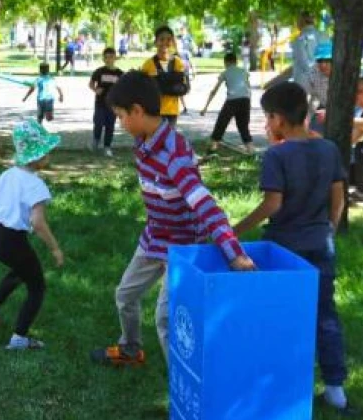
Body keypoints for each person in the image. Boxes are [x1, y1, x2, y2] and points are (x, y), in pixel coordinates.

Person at [91, 71, 254, 369]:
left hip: (181, 247)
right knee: (125, 295)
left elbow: (205, 205)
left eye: (120, 116)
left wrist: (234, 253)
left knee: (165, 318)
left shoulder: (173, 154)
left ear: (137, 111)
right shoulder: (144, 142)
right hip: (154, 239)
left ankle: (184, 386)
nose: (119, 122)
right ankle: (130, 348)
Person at [232, 82, 351, 413]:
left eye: (267, 118)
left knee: (276, 315)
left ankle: (277, 384)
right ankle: (335, 390)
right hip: (320, 245)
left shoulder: (277, 154)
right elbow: (338, 196)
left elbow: (272, 204)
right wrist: (328, 228)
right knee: (325, 314)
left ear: (279, 119)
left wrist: (233, 232)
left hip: (284, 248)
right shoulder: (329, 149)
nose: (266, 125)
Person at [0, 119, 63, 350]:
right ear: (37, 157)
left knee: (22, 269)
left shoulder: (6, 175)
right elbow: (38, 222)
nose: (50, 156)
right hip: (12, 240)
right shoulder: (35, 185)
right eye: (47, 152)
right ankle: (19, 338)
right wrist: (54, 248)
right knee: (37, 286)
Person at [201, 52, 253, 153]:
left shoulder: (225, 72)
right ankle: (251, 151)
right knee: (244, 128)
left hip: (232, 100)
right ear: (236, 61)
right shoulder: (244, 71)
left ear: (226, 62)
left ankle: (212, 150)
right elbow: (248, 87)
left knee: (220, 124)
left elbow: (214, 91)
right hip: (245, 100)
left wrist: (205, 107)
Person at [141, 26, 188, 125]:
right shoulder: (148, 64)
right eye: (161, 39)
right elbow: (144, 89)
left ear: (172, 42)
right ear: (155, 42)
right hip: (154, 111)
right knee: (155, 140)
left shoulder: (177, 62)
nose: (165, 42)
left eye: (169, 39)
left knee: (169, 139)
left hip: (172, 111)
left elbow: (183, 88)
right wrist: (170, 83)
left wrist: (159, 84)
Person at [89, 47, 123, 156]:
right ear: (103, 59)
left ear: (115, 58)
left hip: (113, 105)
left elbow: (123, 88)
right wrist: (95, 89)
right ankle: (95, 141)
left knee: (110, 126)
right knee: (98, 123)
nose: (109, 59)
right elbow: (91, 83)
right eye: (106, 57)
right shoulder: (99, 71)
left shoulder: (119, 73)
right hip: (100, 103)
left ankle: (107, 147)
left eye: (111, 57)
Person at [299, 42, 333, 133]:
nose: (323, 65)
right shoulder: (312, 73)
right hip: (323, 107)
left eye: (327, 61)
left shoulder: (345, 73)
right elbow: (305, 97)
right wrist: (305, 118)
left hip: (347, 109)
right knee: (313, 131)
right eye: (319, 61)